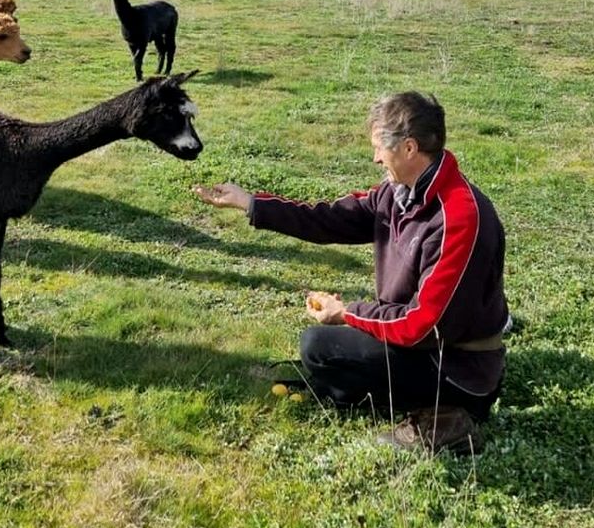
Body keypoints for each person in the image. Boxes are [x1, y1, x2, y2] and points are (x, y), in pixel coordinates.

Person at [193, 91, 508, 454]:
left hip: (457, 368)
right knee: (331, 367)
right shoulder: (400, 193)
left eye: (379, 148)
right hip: (419, 344)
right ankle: (356, 389)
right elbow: (330, 218)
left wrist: (347, 313)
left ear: (408, 148)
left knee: (319, 348)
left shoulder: (458, 217)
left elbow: (424, 323)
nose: (375, 158)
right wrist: (251, 203)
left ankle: (454, 417)